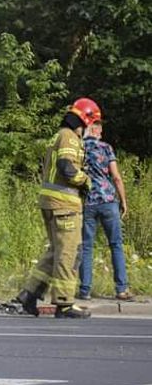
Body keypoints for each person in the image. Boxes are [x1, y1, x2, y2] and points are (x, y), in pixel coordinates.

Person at [12, 98, 100, 319]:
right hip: (64, 205)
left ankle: (29, 294)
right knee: (69, 254)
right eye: (92, 123)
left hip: (52, 203)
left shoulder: (60, 135)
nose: (91, 128)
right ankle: (64, 303)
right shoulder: (69, 137)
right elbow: (67, 168)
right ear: (85, 120)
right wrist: (86, 180)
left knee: (55, 252)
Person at [78, 120, 132, 301]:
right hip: (108, 200)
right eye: (100, 130)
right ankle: (121, 289)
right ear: (96, 130)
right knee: (116, 244)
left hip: (88, 203)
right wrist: (123, 200)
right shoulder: (106, 148)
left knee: (86, 246)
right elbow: (116, 177)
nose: (101, 134)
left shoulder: (79, 148)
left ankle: (85, 290)